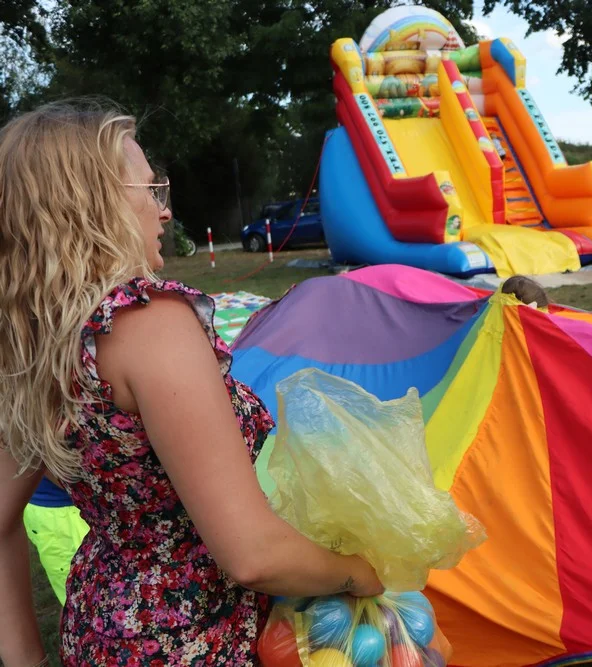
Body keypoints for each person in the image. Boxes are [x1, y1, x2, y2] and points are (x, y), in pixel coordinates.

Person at [0, 101, 383, 667]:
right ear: (89, 203)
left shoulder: (38, 341)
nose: (162, 211)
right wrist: (358, 574)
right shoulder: (149, 321)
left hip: (99, 628)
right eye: (149, 188)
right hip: (193, 642)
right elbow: (250, 554)